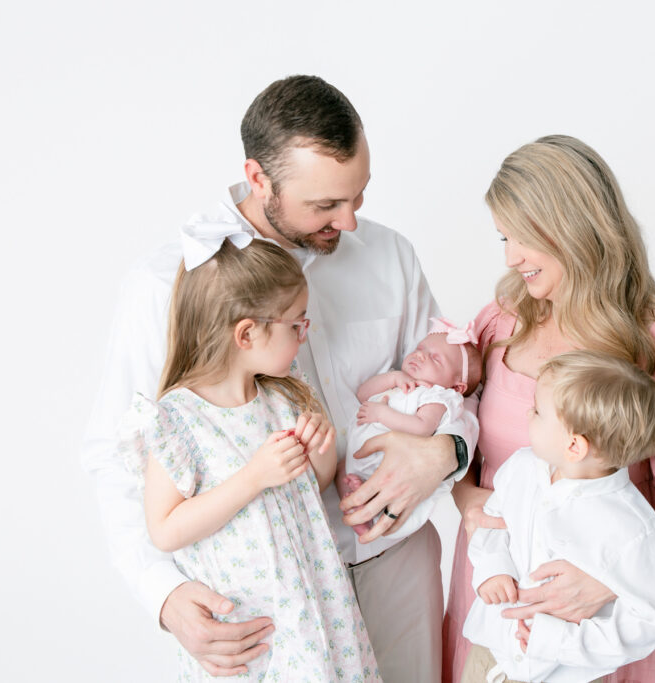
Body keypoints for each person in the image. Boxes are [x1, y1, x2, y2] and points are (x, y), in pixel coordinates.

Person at [82, 75, 477, 682]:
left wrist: (447, 451)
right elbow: (117, 454)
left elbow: (455, 384)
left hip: (395, 563)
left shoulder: (390, 255)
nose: (349, 222)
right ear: (258, 177)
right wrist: (163, 595)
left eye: (359, 195)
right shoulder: (166, 285)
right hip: (257, 599)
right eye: (325, 205)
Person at [443, 135, 655, 683]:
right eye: (504, 237)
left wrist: (609, 580)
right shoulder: (499, 323)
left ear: (576, 227)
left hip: (604, 622)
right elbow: (459, 452)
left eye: (525, 236)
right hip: (499, 602)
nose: (510, 257)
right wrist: (469, 501)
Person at [117, 231, 378, 681]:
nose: (304, 335)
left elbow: (311, 488)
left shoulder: (284, 397)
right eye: (296, 325)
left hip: (315, 611)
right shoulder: (177, 421)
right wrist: (253, 477)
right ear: (247, 333)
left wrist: (319, 450)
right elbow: (164, 529)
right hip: (250, 634)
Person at [461, 351, 655, 683]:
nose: (528, 413)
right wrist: (493, 568)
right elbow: (493, 524)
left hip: (562, 673)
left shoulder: (636, 530)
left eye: (537, 411)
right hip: (492, 654)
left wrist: (560, 641)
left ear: (574, 446)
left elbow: (649, 619)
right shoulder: (521, 469)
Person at [339, 318, 482, 538]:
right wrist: (393, 378)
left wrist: (382, 414)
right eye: (420, 349)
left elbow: (421, 427)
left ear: (456, 387)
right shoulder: (400, 381)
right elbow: (362, 394)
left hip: (393, 463)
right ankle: (357, 503)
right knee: (341, 472)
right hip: (359, 456)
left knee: (382, 487)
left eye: (435, 359)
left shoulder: (437, 398)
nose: (420, 355)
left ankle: (367, 513)